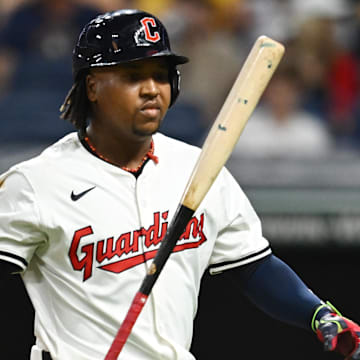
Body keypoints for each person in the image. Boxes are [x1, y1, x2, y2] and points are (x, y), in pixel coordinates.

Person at [0, 9, 359, 360]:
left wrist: (318, 314)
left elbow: (253, 266)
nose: (151, 89)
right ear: (92, 85)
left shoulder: (198, 168)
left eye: (160, 75)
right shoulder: (37, 182)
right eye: (132, 75)